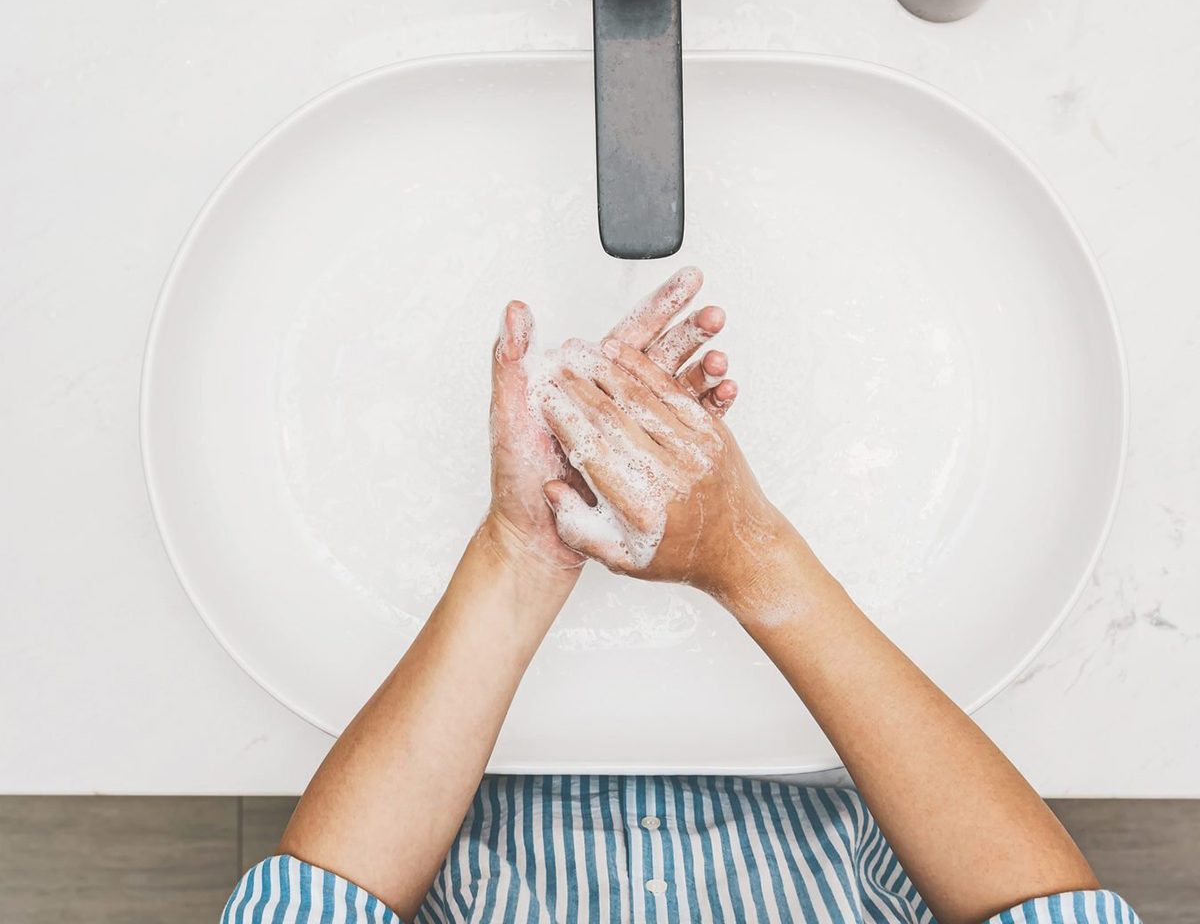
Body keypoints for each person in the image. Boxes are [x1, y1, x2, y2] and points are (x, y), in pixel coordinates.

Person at [221, 268, 1140, 924]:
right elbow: (1048, 910)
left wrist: (520, 556)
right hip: (834, 769)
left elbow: (324, 899)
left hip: (467, 766)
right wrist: (752, 555)